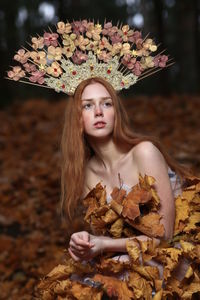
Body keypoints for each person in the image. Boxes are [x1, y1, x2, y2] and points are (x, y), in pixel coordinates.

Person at [60, 76, 189, 281]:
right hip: (132, 253)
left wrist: (104, 245)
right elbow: (110, 236)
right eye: (87, 106)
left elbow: (165, 237)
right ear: (77, 118)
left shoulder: (144, 153)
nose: (98, 112)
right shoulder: (87, 173)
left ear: (116, 112)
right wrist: (86, 242)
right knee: (78, 278)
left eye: (107, 103)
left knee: (113, 274)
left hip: (174, 253)